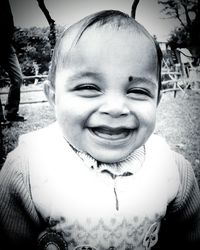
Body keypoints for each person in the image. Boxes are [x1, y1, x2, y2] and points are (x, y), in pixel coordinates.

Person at [0, 10, 200, 250]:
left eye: (138, 91)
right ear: (54, 98)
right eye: (88, 87)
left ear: (156, 101)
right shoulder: (27, 169)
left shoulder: (172, 169)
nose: (115, 108)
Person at [0, 0, 25, 122]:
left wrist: (10, 35)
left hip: (6, 45)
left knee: (18, 78)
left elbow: (9, 18)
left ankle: (11, 112)